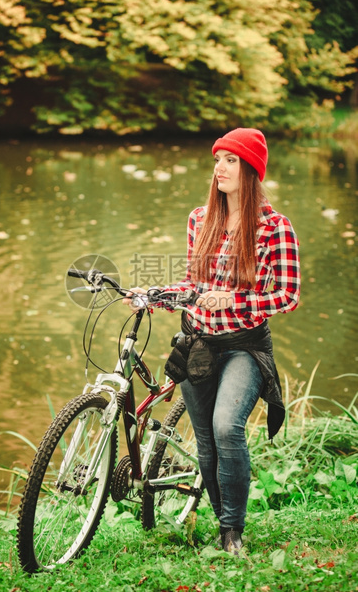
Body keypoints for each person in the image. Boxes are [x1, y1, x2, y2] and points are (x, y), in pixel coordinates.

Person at [125, 128, 301, 556]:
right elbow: (193, 285)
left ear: (252, 170)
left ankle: (232, 533)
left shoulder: (274, 227)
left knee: (226, 428)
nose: (219, 167)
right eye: (217, 159)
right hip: (197, 343)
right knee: (205, 438)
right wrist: (154, 295)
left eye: (231, 160)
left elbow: (288, 295)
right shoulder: (199, 219)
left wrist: (236, 297)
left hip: (244, 345)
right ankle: (223, 524)